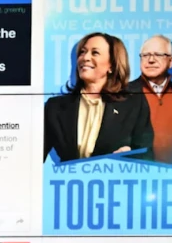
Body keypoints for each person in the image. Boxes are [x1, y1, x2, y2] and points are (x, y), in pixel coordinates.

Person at [43, 32, 152, 162]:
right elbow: (31, 156)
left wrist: (130, 157)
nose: (85, 58)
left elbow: (147, 155)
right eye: (82, 52)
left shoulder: (133, 105)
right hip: (67, 181)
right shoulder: (55, 107)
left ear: (111, 65)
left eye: (95, 53)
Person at [126, 35, 172, 166]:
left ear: (171, 61)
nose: (151, 60)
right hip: (136, 178)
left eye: (158, 55)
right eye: (145, 55)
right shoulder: (123, 94)